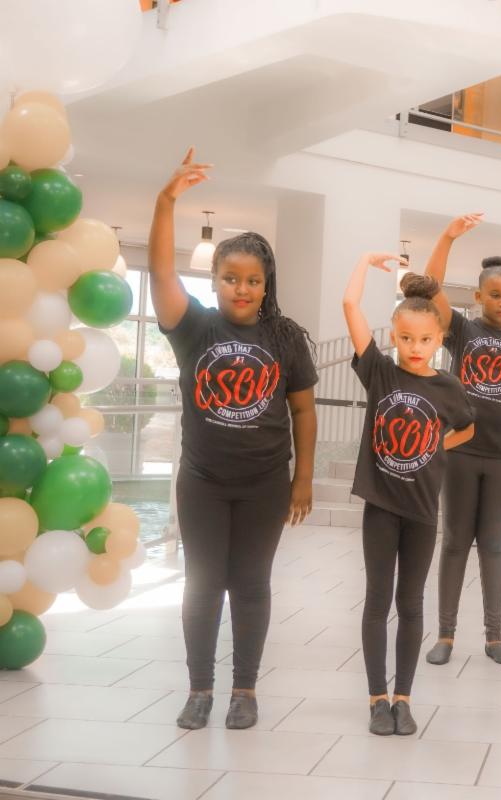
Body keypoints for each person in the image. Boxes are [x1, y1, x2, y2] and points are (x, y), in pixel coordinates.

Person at [150, 148, 317, 730]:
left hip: (265, 484)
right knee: (202, 585)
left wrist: (302, 479)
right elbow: (162, 275)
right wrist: (166, 201)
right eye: (230, 278)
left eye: (252, 280)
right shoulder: (194, 326)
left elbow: (303, 410)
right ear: (214, 280)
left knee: (250, 585)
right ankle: (200, 689)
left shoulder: (285, 337)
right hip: (202, 481)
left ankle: (244, 689)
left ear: (266, 284)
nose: (241, 289)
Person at [342, 253, 475, 735]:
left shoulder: (449, 387)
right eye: (405, 338)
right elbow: (349, 305)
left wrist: (438, 444)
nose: (415, 348)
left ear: (439, 340)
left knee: (412, 602)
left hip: (421, 510)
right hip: (382, 506)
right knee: (378, 600)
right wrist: (363, 262)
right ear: (393, 336)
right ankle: (377, 698)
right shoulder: (379, 372)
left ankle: (404, 698)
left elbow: (467, 428)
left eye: (425, 340)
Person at [421, 214, 501, 666]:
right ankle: (446, 635)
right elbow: (428, 287)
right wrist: (447, 236)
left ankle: (494, 637)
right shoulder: (462, 331)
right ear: (478, 297)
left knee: (494, 543)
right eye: (495, 295)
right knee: (455, 541)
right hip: (459, 452)